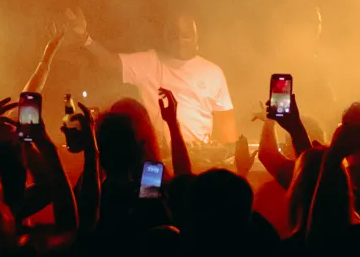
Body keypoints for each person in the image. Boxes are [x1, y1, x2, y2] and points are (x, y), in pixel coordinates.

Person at [66, 9, 235, 156]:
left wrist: (231, 159)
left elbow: (226, 122)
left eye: (185, 35)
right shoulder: (150, 61)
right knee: (150, 192)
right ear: (165, 37)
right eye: (174, 35)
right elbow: (110, 62)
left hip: (198, 156)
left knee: (193, 192)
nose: (179, 40)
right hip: (155, 156)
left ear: (196, 38)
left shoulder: (213, 72)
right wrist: (85, 39)